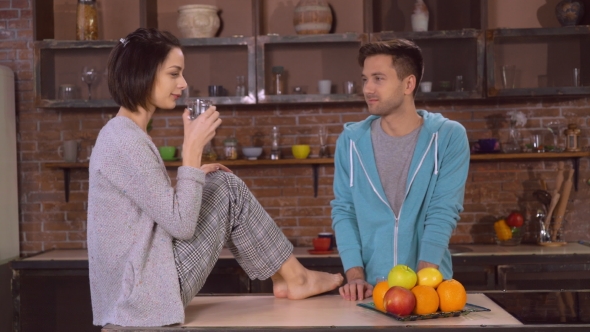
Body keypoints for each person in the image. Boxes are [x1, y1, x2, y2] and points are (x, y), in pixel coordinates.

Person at [87, 28, 343, 327]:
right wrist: (193, 150)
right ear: (143, 73)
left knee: (219, 182)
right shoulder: (124, 139)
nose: (182, 83)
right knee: (227, 187)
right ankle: (295, 278)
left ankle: (289, 278)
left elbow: (151, 209)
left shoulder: (123, 133)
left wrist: (193, 174)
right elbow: (180, 225)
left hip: (140, 291)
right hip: (144, 299)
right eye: (174, 73)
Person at [331, 39, 470, 301]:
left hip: (430, 292)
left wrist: (423, 288)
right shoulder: (350, 142)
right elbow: (344, 210)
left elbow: (442, 212)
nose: (368, 88)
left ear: (408, 84)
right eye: (365, 79)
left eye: (378, 78)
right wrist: (355, 278)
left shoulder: (449, 137)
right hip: (370, 293)